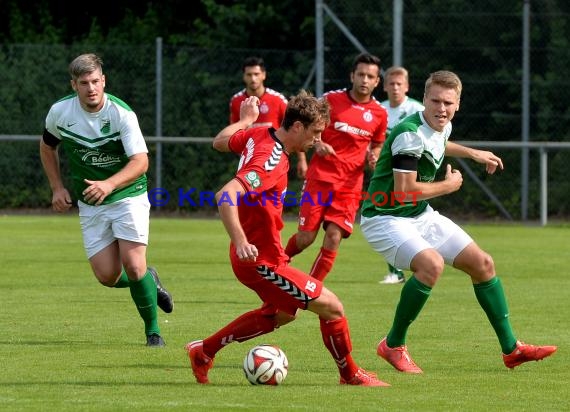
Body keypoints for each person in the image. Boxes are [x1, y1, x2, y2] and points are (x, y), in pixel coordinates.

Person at [185, 91, 388, 387]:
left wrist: (244, 120)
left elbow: (219, 142)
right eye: (315, 133)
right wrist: (241, 240)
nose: (317, 140)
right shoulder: (271, 159)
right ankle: (351, 375)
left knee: (280, 315)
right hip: (260, 261)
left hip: (266, 255)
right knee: (332, 307)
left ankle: (203, 352)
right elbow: (225, 196)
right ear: (296, 127)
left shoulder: (258, 132)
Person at [360, 70, 557, 373]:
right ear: (423, 100)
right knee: (432, 265)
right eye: (435, 101)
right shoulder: (409, 133)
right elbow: (403, 193)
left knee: (483, 264)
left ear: (458, 104)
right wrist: (448, 187)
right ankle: (393, 344)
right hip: (384, 218)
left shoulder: (442, 125)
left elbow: (440, 143)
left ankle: (511, 349)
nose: (441, 108)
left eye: (448, 102)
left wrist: (474, 153)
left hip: (417, 215)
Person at [39, 53, 173, 347]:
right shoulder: (60, 112)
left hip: (128, 195)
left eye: (96, 81)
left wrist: (109, 183)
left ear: (104, 81)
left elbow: (140, 161)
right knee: (107, 275)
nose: (91, 88)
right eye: (84, 83)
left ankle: (153, 333)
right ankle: (150, 280)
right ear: (74, 84)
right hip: (92, 203)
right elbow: (48, 147)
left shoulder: (121, 113)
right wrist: (57, 187)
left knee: (133, 265)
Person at [284, 52, 387, 282]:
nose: (365, 80)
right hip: (320, 179)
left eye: (370, 76)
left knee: (333, 236)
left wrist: (374, 156)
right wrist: (318, 143)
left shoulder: (379, 113)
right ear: (352, 75)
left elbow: (378, 144)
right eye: (360, 74)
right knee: (305, 239)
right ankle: (276, 264)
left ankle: (309, 290)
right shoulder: (331, 100)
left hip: (349, 186)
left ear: (377, 81)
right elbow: (311, 129)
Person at [378, 66, 425, 285]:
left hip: (410, 175)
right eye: (392, 83)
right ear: (385, 85)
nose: (395, 88)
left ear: (406, 86)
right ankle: (396, 272)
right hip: (385, 175)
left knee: (410, 218)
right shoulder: (380, 110)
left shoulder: (418, 109)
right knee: (387, 217)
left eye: (400, 84)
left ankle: (420, 263)